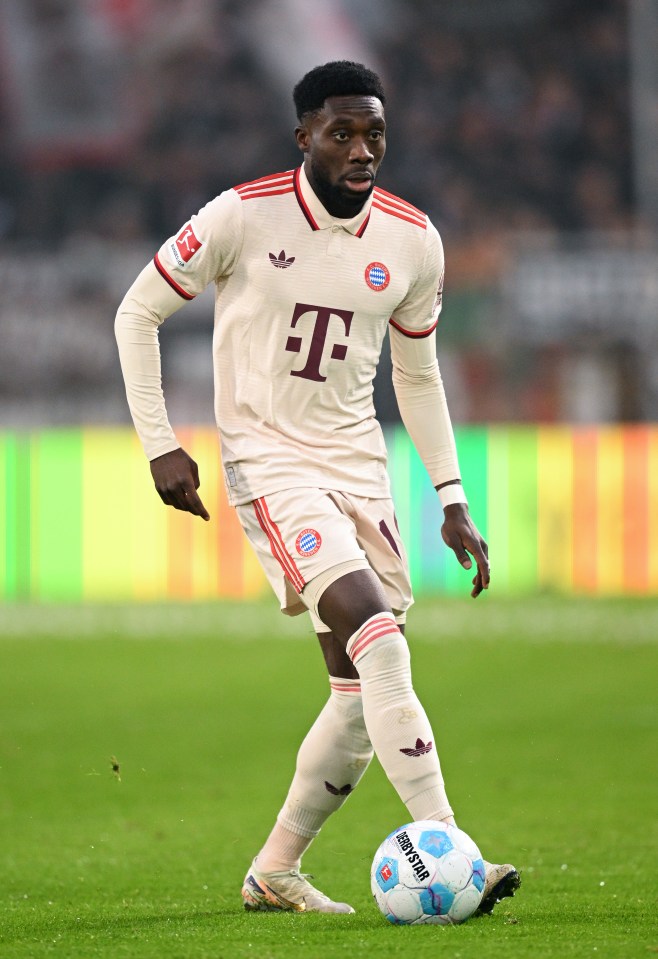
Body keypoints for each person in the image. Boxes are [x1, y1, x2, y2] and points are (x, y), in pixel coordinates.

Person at [115, 60, 520, 917]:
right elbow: (137, 311)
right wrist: (161, 444)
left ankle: (275, 871)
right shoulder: (242, 214)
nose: (362, 148)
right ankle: (453, 849)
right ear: (303, 137)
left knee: (352, 692)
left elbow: (418, 375)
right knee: (379, 637)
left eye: (374, 131)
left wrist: (452, 496)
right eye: (342, 131)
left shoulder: (413, 239)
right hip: (270, 462)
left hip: (359, 469)